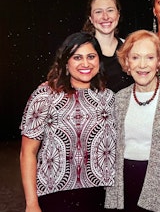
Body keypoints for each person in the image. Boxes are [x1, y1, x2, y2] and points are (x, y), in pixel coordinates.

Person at [19, 32, 116, 212]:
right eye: (77, 57)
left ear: (99, 61)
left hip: (100, 196)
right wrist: (31, 203)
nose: (85, 64)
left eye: (91, 57)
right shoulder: (44, 96)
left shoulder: (108, 98)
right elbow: (27, 152)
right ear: (66, 62)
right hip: (55, 195)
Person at [104, 29, 160, 211]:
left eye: (150, 58)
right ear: (127, 62)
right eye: (135, 58)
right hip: (124, 186)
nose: (142, 65)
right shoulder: (119, 98)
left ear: (159, 62)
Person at [82, 0, 134, 92]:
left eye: (110, 10)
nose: (105, 17)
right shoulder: (81, 50)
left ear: (118, 15)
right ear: (90, 18)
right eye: (98, 12)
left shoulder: (130, 48)